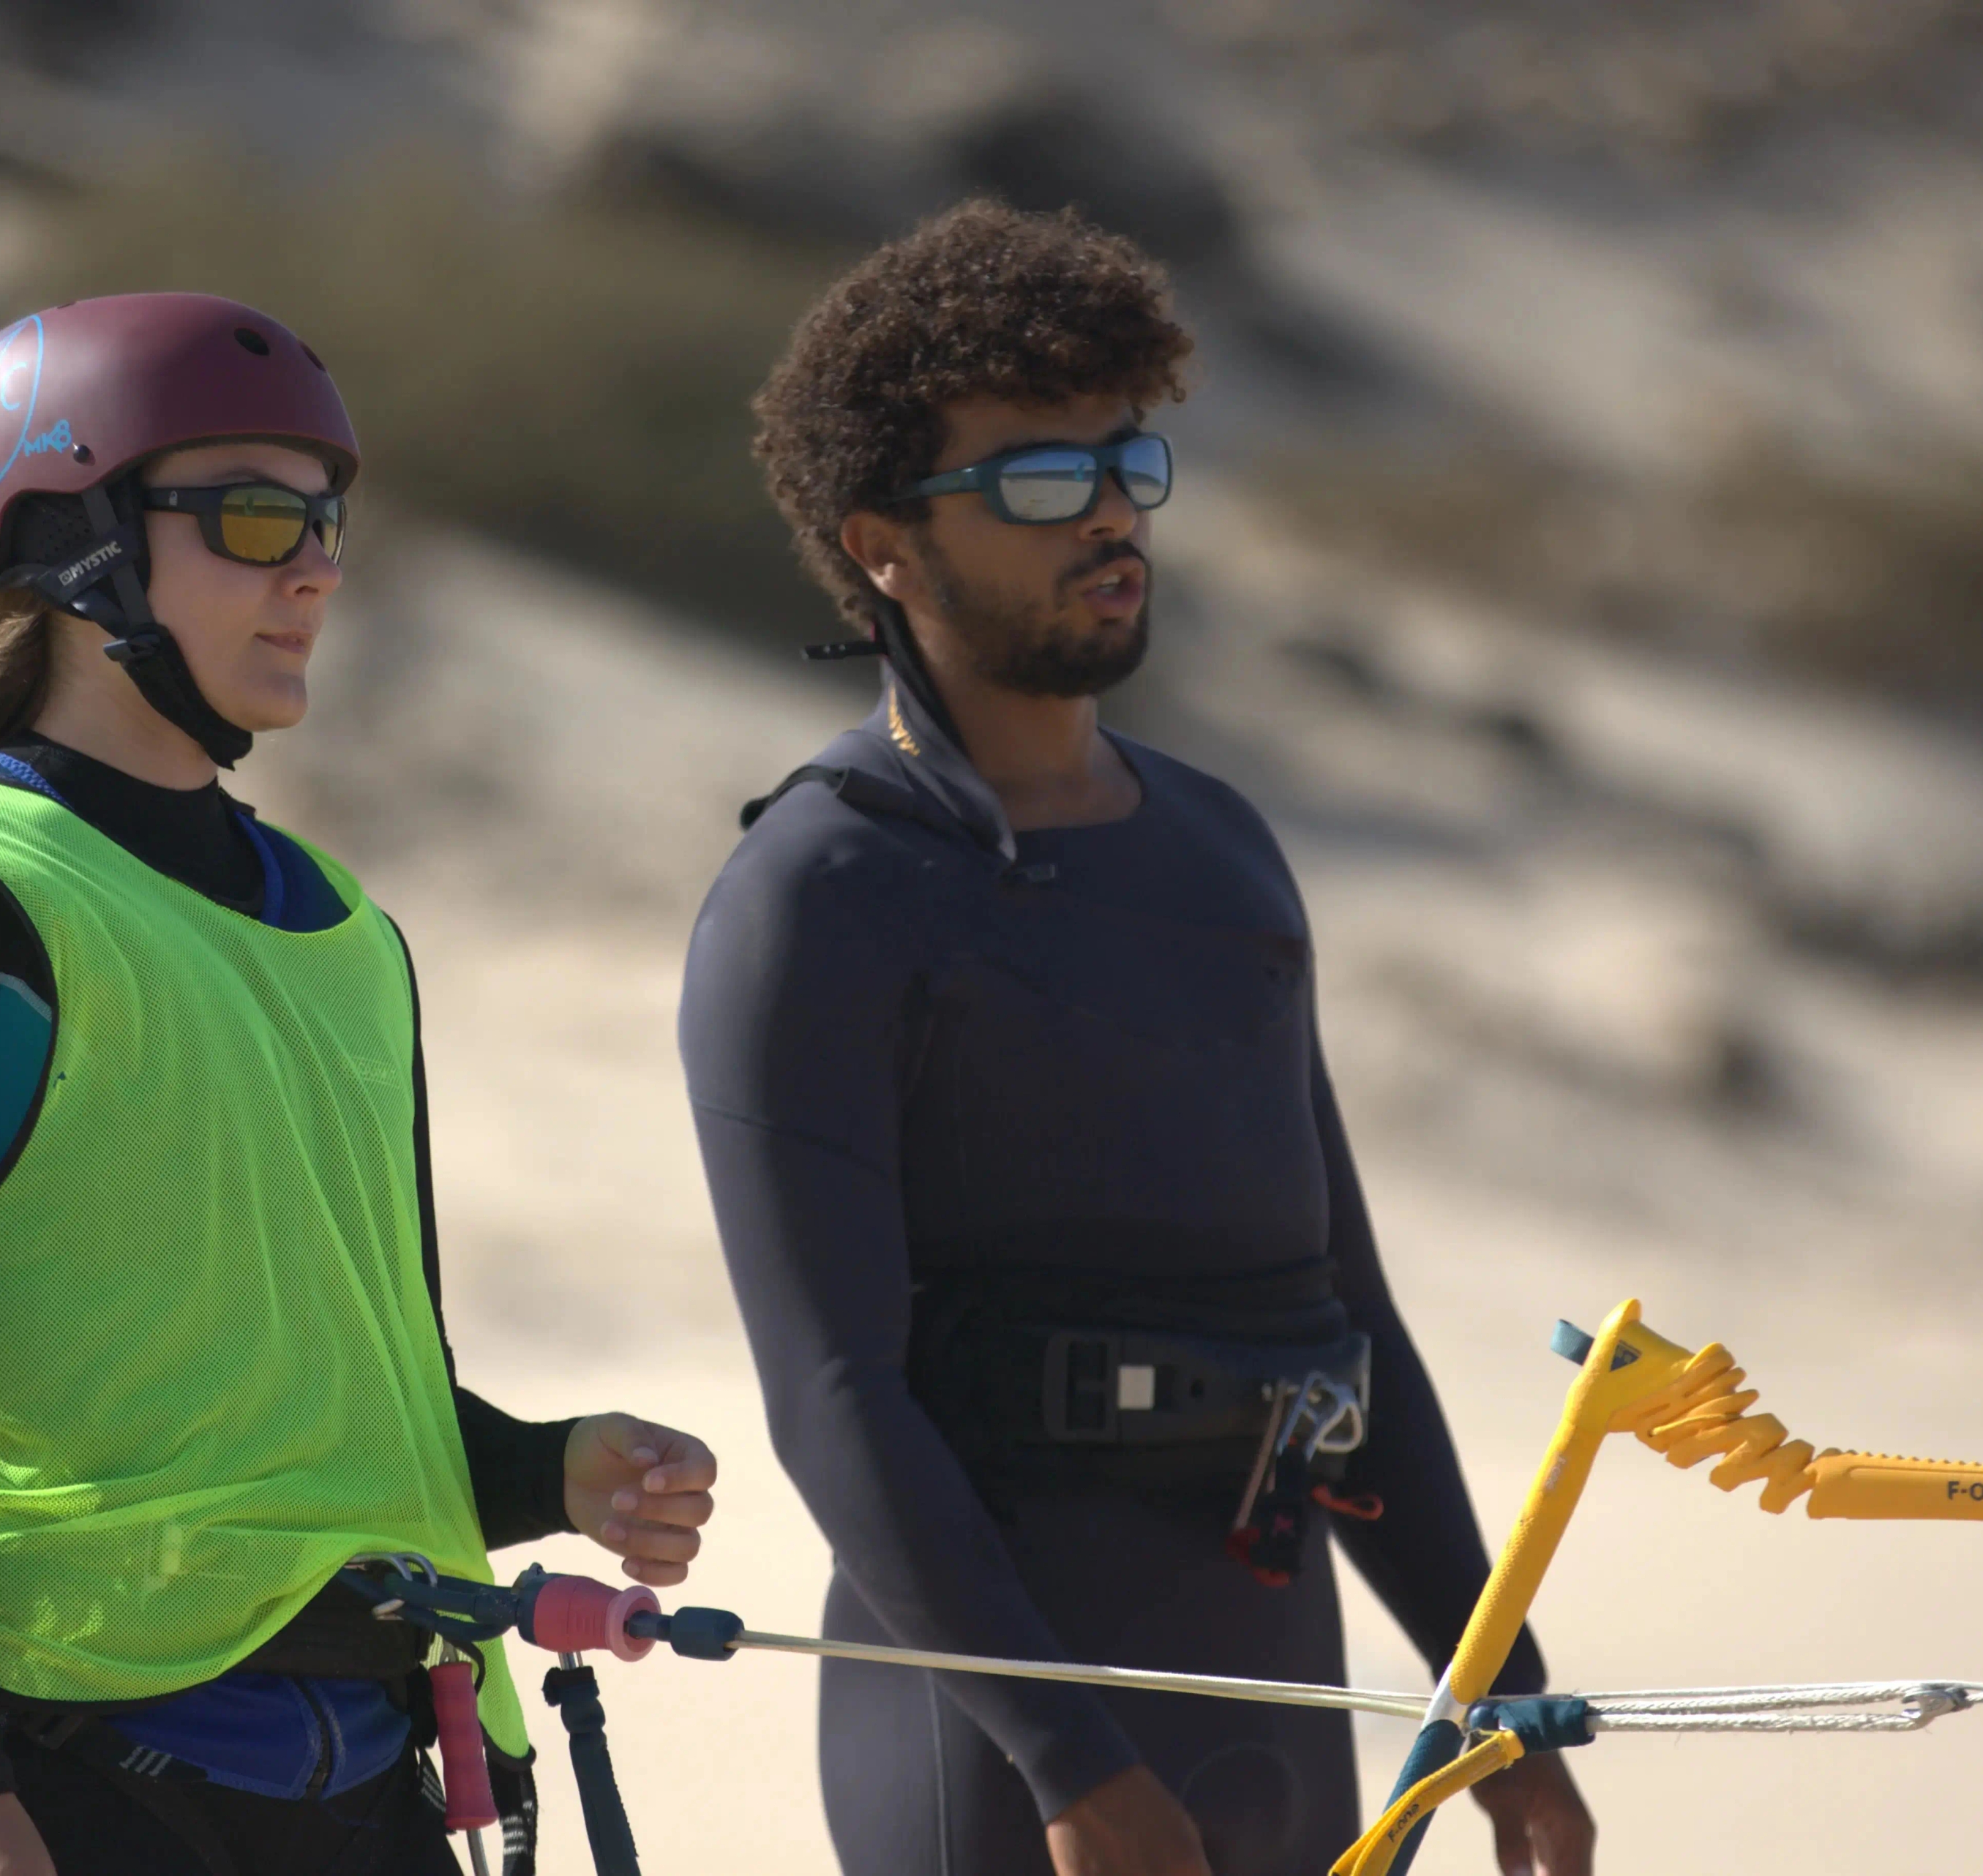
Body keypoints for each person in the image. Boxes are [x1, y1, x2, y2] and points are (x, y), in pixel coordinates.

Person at [678, 203, 1597, 1876]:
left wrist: (1498, 1697)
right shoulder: (820, 893)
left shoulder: (1221, 846)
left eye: (1127, 464)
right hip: (1002, 1754)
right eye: (1039, 479)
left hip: (1274, 1698)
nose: (1108, 515)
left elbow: (1352, 1326)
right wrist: (1070, 1766)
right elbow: (833, 1396)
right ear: (884, 541)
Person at [0, 292, 718, 1876]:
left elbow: (342, 1423)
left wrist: (551, 1468)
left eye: (330, 518)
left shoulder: (345, 930)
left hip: (391, 1782)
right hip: (61, 1777)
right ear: (69, 542)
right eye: (258, 516)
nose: (319, 567)